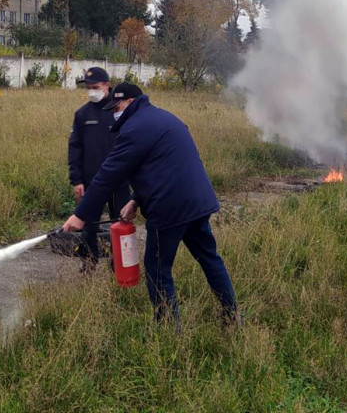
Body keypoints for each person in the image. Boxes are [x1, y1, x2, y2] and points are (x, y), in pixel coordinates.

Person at [63, 83, 238, 326]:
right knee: (210, 258)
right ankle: (231, 315)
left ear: (132, 102)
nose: (115, 111)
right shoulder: (164, 118)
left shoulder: (135, 128)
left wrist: (80, 215)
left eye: (118, 105)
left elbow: (108, 175)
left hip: (170, 210)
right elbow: (163, 167)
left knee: (157, 268)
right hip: (198, 203)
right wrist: (136, 199)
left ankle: (167, 330)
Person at [68, 67, 131, 274]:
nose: (91, 91)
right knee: (88, 226)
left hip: (118, 182)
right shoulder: (82, 114)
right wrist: (77, 180)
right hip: (91, 183)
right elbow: (75, 148)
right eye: (88, 88)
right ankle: (88, 263)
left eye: (95, 87)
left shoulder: (120, 111)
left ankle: (118, 265)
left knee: (120, 223)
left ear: (107, 85)